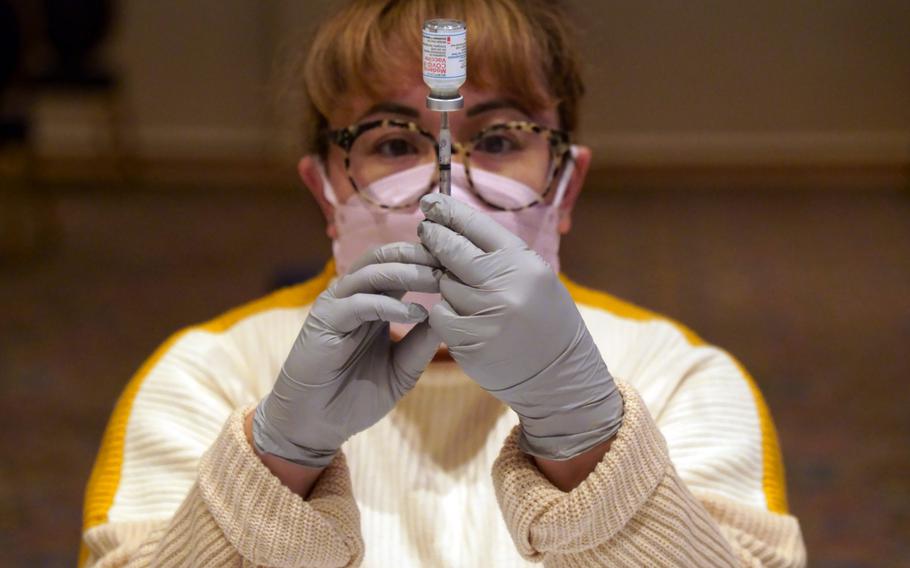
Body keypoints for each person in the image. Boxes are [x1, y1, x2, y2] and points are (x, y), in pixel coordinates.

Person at [79, 1, 806, 566]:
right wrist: (275, 463)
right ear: (325, 191)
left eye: (497, 141)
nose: (444, 192)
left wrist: (589, 446)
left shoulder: (681, 378)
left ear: (567, 184)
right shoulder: (205, 377)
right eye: (392, 143)